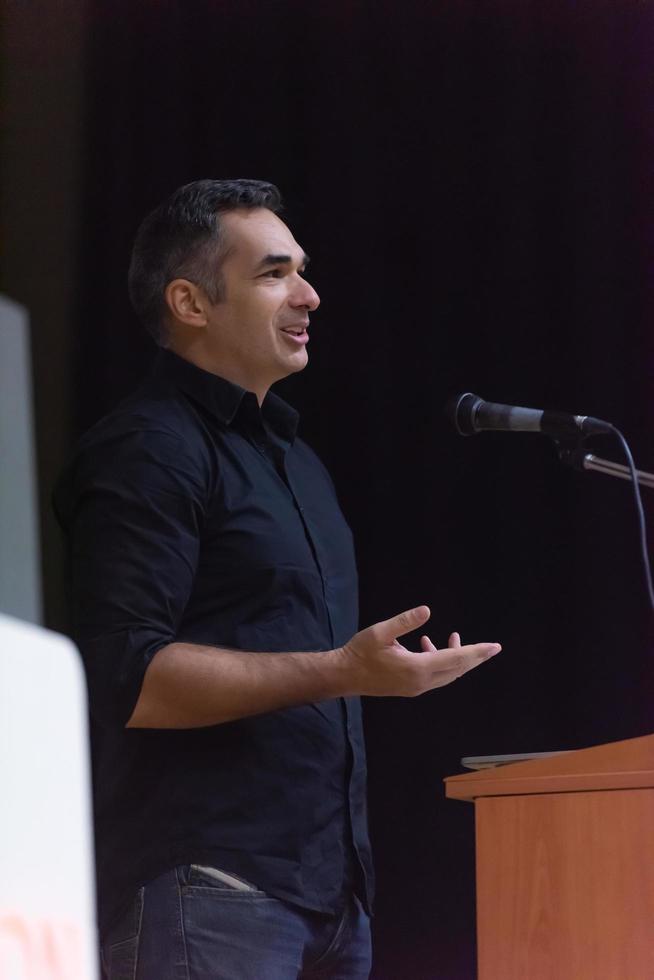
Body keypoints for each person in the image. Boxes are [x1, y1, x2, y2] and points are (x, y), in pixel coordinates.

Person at [54, 178, 501, 980]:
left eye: (302, 270)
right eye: (274, 274)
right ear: (190, 302)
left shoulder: (295, 462)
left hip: (333, 900)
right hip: (208, 887)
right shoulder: (148, 450)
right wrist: (342, 672)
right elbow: (125, 677)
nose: (310, 295)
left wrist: (369, 676)